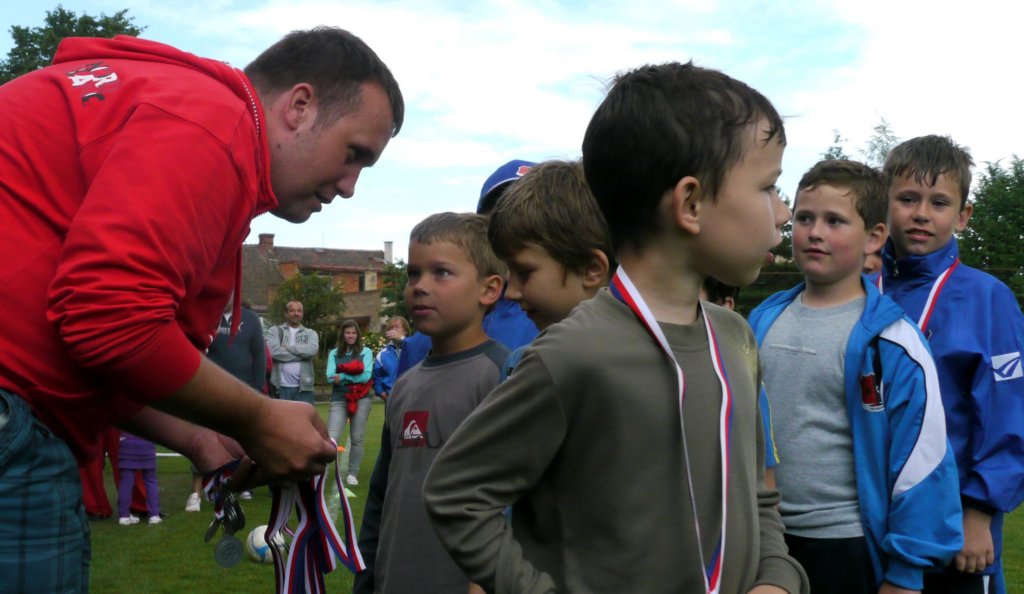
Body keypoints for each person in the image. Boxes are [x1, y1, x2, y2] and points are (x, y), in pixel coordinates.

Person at [0, 26, 403, 591]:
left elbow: (88, 345)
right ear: (300, 106)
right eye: (354, 154)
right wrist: (259, 417)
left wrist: (201, 438)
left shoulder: (176, 102)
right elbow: (106, 319)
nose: (350, 186)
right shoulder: (214, 122)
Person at [424, 62, 806, 593]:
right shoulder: (571, 355)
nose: (783, 212)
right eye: (769, 187)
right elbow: (456, 493)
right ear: (691, 203)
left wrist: (777, 579)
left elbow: (756, 499)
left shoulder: (736, 338)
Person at [748, 159, 963, 593]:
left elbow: (922, 462)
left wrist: (905, 573)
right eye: (805, 218)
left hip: (844, 545)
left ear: (874, 237)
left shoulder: (895, 341)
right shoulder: (759, 321)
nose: (815, 232)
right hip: (759, 539)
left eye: (835, 220)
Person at [879, 136, 1024, 594]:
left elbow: (1009, 414)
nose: (922, 213)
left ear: (962, 216)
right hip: (867, 516)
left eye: (939, 202)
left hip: (954, 526)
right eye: (907, 199)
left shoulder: (987, 299)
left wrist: (980, 511)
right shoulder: (861, 288)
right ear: (883, 205)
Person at [354, 212, 508, 594]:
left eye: (441, 273)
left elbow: (513, 505)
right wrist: (367, 577)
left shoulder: (505, 376)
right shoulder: (403, 386)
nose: (419, 286)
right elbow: (380, 497)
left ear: (489, 290)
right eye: (413, 274)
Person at [394, 159, 539, 375]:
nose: (513, 228)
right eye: (500, 216)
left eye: (529, 216)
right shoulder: (423, 338)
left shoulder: (558, 318)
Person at [486, 159, 613, 380]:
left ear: (591, 269)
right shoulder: (517, 365)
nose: (510, 292)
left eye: (525, 273)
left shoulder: (644, 361)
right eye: (509, 272)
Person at [186, 300, 267, 512]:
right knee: (203, 438)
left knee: (243, 440)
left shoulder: (251, 320)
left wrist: (257, 390)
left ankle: (243, 485)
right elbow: (196, 349)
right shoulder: (207, 316)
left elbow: (259, 355)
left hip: (244, 391)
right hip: (211, 389)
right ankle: (196, 492)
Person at [326, 319, 374, 485]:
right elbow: (330, 376)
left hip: (361, 398)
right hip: (339, 398)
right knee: (331, 438)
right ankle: (322, 472)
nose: (351, 335)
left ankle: (352, 473)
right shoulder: (334, 353)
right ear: (343, 334)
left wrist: (344, 376)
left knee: (357, 437)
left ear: (358, 334)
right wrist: (349, 378)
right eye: (348, 332)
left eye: (353, 332)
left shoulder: (366, 351)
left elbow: (366, 376)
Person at [268, 300, 319, 405]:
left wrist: (289, 348)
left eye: (299, 311)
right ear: (286, 313)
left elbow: (312, 350)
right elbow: (273, 352)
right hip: (280, 387)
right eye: (292, 311)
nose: (296, 313)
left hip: (304, 388)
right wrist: (303, 356)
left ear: (302, 313)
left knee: (304, 421)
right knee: (281, 421)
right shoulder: (275, 331)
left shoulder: (310, 333)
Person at [116, 432, 161, 526]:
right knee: (151, 481)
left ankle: (124, 516)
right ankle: (154, 516)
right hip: (147, 443)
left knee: (126, 483)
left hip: (127, 443)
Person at [371, 316, 410, 400]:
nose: (394, 330)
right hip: (391, 398)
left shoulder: (413, 348)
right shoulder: (382, 353)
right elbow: (377, 378)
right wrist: (381, 393)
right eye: (391, 327)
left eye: (397, 327)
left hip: (412, 397)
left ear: (405, 331)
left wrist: (402, 339)